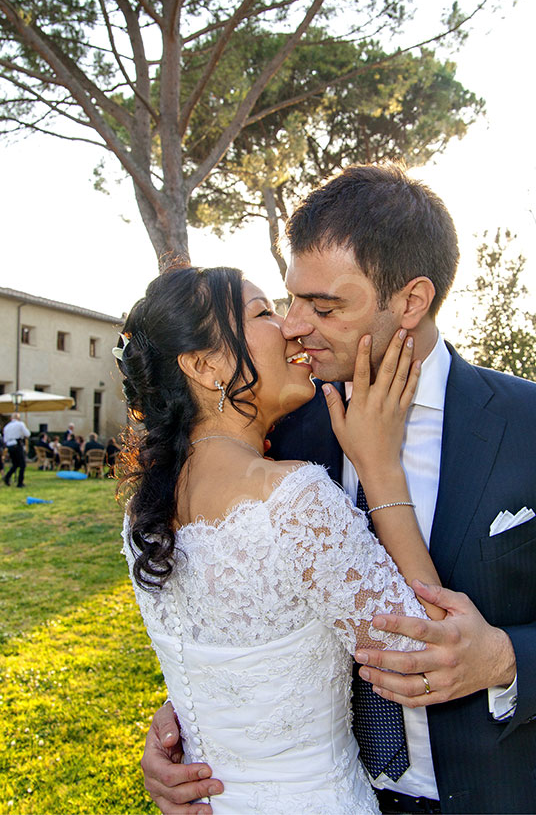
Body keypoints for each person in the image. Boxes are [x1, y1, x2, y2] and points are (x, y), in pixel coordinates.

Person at [142, 163, 536, 815]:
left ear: (410, 301)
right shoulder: (279, 428)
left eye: (324, 307)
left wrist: (502, 659)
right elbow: (257, 609)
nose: (295, 325)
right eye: (290, 298)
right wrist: (185, 723)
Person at [117, 265, 445, 815]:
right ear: (204, 366)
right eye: (263, 312)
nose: (292, 328)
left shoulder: (142, 514)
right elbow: (427, 653)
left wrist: (172, 729)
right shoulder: (293, 499)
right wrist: (380, 468)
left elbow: (220, 666)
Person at [3, 412, 31, 488]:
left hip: (9, 445)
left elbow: (4, 439)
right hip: (17, 444)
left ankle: (7, 477)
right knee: (22, 464)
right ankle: (20, 482)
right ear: (18, 418)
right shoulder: (20, 424)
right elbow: (27, 434)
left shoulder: (7, 426)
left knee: (15, 464)